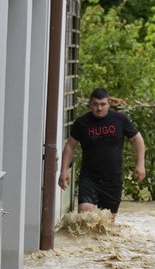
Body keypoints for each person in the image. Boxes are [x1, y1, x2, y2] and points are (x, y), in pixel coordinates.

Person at [58, 87, 146, 215]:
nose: (99, 108)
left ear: (109, 103)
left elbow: (137, 139)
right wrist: (63, 170)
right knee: (85, 213)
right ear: (90, 104)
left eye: (102, 104)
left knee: (107, 224)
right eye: (95, 104)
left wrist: (140, 164)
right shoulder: (82, 122)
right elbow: (70, 145)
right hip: (89, 177)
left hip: (113, 178)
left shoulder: (120, 119)